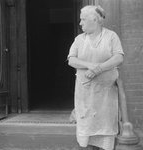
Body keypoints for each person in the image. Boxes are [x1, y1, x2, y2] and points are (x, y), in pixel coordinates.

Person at [67, 5, 124, 150]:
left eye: (83, 20)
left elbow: (118, 57)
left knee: (105, 126)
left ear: (94, 20)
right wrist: (90, 65)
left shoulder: (111, 36)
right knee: (87, 127)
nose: (80, 23)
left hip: (106, 93)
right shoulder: (79, 39)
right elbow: (71, 60)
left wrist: (99, 69)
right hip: (85, 92)